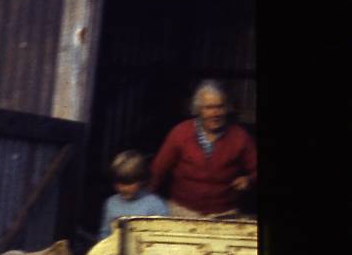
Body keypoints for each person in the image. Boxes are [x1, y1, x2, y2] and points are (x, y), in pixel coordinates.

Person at [150, 80, 257, 217]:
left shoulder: (240, 137)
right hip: (182, 211)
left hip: (225, 213)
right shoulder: (180, 133)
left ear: (227, 108)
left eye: (220, 107)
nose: (215, 113)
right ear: (198, 110)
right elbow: (157, 171)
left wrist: (249, 179)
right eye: (209, 108)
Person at [98, 150, 169, 239]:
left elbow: (161, 237)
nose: (123, 188)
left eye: (129, 183)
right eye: (119, 182)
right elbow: (104, 234)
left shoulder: (156, 206)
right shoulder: (111, 203)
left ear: (141, 180)